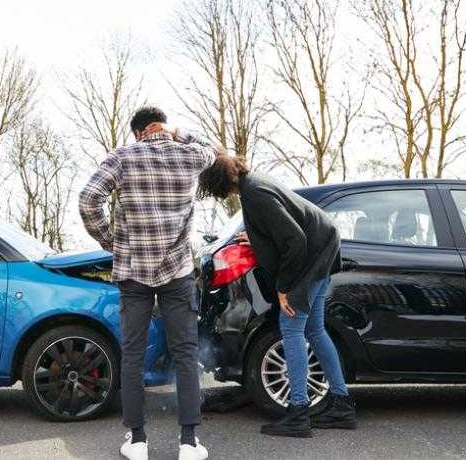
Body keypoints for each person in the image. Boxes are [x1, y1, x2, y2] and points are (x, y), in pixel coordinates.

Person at [79, 105, 216, 460]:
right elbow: (212, 151)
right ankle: (189, 443)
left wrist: (109, 241)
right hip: (177, 271)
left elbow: (88, 199)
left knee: (134, 354)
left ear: (137, 132)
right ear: (162, 126)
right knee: (186, 353)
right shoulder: (190, 155)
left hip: (133, 270)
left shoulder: (123, 155)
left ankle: (137, 440)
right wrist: (180, 133)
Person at [197, 154, 356, 438]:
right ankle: (342, 405)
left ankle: (298, 413)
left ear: (219, 182)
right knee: (315, 330)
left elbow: (294, 240)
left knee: (291, 329)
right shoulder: (254, 183)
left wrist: (284, 289)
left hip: (312, 254)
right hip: (323, 247)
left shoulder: (255, 192)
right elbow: (281, 230)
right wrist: (257, 239)